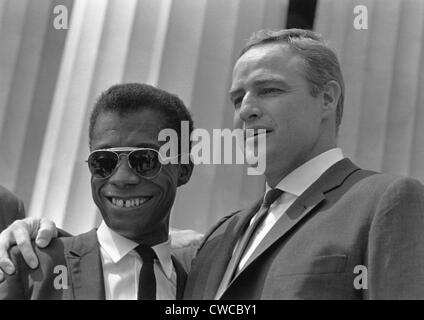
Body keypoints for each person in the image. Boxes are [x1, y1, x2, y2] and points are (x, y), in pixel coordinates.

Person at [2, 29, 424, 300]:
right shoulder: (221, 237)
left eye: (269, 90)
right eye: (238, 99)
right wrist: (41, 236)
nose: (247, 111)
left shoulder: (386, 201)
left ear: (327, 99)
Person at [0, 83, 197, 299]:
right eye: (103, 161)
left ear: (183, 169)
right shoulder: (30, 266)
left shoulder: (202, 285)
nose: (121, 178)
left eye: (145, 160)